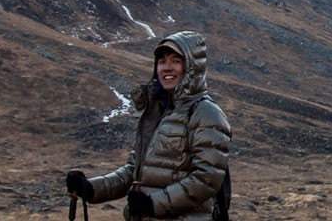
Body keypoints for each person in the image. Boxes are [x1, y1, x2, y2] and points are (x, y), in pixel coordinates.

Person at [67, 31, 232, 220]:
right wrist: (90, 188)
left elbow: (206, 180)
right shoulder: (157, 112)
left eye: (175, 61)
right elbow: (134, 171)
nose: (166, 68)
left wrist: (153, 204)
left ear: (192, 67)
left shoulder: (206, 113)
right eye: (161, 62)